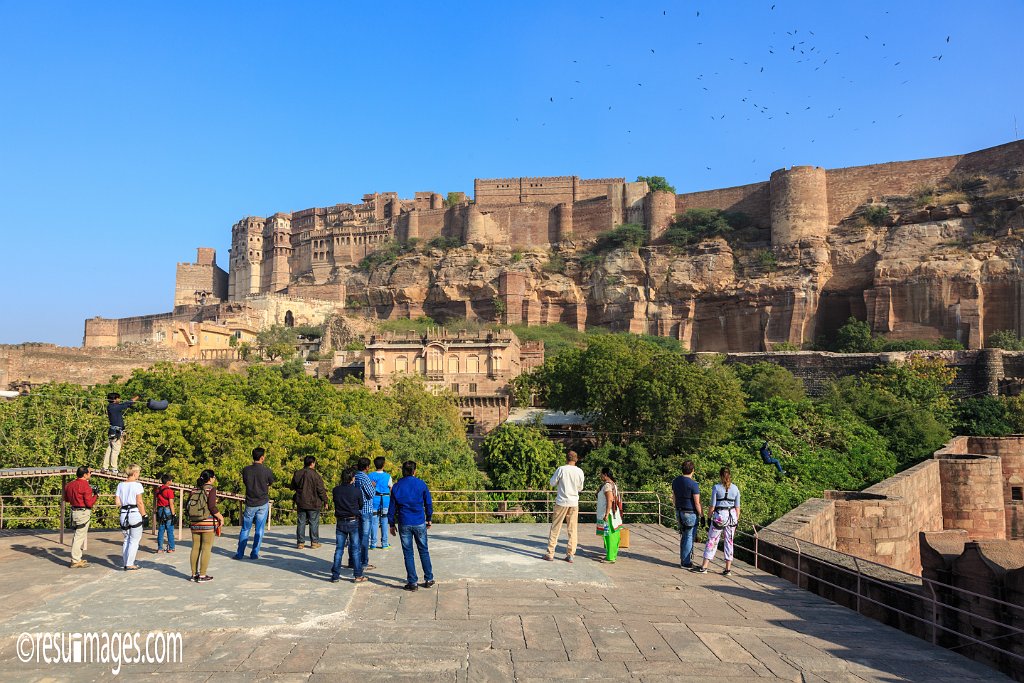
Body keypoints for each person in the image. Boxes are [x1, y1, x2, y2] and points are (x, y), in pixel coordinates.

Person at [388, 460, 434, 591]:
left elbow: (392, 508)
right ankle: (429, 578)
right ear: (414, 471)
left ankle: (412, 582)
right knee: (423, 550)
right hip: (419, 521)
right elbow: (428, 504)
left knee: (408, 553)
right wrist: (429, 519)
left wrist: (391, 524)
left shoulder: (397, 486)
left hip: (404, 522)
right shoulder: (421, 484)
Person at [694, 467, 741, 576]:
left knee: (712, 540)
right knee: (729, 541)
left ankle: (704, 566)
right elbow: (738, 507)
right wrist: (736, 520)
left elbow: (712, 506)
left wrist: (709, 518)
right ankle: (728, 569)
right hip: (732, 516)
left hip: (720, 515)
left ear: (720, 476)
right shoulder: (735, 488)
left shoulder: (716, 488)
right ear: (730, 475)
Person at [542, 450, 585, 563]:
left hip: (561, 501)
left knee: (555, 527)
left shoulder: (561, 469)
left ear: (566, 458)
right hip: (574, 502)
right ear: (576, 460)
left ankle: (550, 553)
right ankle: (570, 554)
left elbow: (552, 482)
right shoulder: (580, 471)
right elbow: (580, 488)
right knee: (572, 529)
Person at [235, 447, 276, 560]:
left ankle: (240, 553)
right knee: (259, 529)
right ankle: (254, 553)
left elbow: (245, 482)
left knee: (245, 529)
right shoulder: (267, 470)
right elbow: (271, 482)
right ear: (262, 457)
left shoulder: (246, 470)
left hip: (250, 502)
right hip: (262, 502)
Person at [186, 469, 224, 582]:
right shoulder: (211, 489)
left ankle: (193, 574)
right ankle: (202, 575)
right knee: (206, 547)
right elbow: (212, 506)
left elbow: (188, 506)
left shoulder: (194, 490)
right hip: (207, 522)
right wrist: (220, 517)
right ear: (211, 478)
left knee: (195, 547)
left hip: (194, 522)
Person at [330, 468, 367, 583]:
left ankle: (335, 575)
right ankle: (357, 575)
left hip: (340, 521)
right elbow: (361, 505)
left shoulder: (336, 490)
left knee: (339, 549)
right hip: (353, 521)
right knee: (356, 549)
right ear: (352, 478)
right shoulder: (356, 491)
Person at [63, 465, 98, 568]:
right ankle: (75, 560)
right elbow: (89, 503)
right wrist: (96, 495)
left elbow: (67, 499)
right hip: (83, 512)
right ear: (85, 474)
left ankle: (77, 558)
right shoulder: (85, 486)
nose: (90, 474)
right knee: (79, 536)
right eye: (89, 473)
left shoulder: (69, 485)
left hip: (74, 511)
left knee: (78, 535)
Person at [671, 460, 702, 569]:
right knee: (689, 536)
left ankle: (683, 559)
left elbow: (673, 498)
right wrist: (702, 515)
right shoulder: (693, 484)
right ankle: (686, 562)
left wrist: (676, 508)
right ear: (693, 470)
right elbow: (697, 503)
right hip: (690, 512)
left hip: (679, 510)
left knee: (684, 535)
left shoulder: (676, 481)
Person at [292, 456, 328, 549]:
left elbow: (293, 486)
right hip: (314, 502)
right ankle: (314, 542)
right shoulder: (316, 475)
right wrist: (325, 500)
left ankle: (300, 543)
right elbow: (320, 490)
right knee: (314, 522)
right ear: (312, 463)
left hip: (301, 501)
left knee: (301, 522)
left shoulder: (298, 473)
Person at [115, 464, 146, 570]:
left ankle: (125, 562)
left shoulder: (120, 485)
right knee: (134, 540)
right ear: (135, 473)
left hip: (123, 513)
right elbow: (139, 502)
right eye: (138, 472)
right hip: (134, 513)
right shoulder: (137, 485)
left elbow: (117, 502)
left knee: (126, 539)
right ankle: (130, 563)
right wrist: (144, 515)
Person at [351, 457, 377, 572]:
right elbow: (371, 494)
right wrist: (373, 486)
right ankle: (363, 562)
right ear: (367, 467)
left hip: (355, 510)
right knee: (365, 537)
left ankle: (352, 560)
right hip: (366, 510)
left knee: (354, 536)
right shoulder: (365, 477)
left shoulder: (354, 476)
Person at [103, 392, 139, 473]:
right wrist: (137, 397)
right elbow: (128, 403)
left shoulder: (111, 406)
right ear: (115, 400)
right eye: (118, 398)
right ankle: (114, 468)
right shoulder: (115, 407)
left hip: (113, 431)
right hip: (116, 432)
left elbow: (125, 404)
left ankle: (105, 467)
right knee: (115, 450)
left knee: (110, 449)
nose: (119, 400)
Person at [595, 468, 623, 563]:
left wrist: (606, 514)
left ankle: (610, 557)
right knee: (613, 534)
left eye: (601, 474)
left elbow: (609, 499)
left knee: (609, 535)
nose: (600, 476)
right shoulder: (613, 484)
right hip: (613, 514)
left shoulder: (607, 486)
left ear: (605, 474)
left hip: (608, 514)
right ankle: (611, 555)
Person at [368, 457, 393, 550]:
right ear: (383, 465)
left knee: (374, 521)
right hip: (385, 499)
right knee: (384, 521)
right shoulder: (387, 476)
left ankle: (373, 543)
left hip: (374, 499)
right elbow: (391, 488)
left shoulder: (370, 475)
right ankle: (385, 543)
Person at [155, 474, 176, 553]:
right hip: (167, 510)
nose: (171, 481)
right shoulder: (169, 491)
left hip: (160, 510)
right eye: (171, 480)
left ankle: (160, 548)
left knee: (161, 529)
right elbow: (171, 504)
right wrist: (174, 514)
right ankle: (171, 547)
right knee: (170, 529)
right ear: (168, 482)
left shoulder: (158, 489)